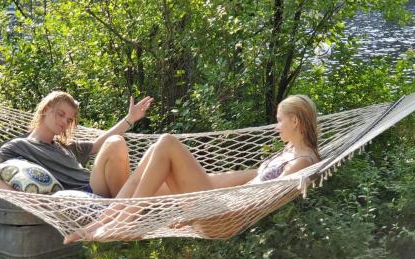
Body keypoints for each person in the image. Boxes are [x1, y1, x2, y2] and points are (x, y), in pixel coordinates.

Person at [64, 94, 321, 243]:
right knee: (156, 152)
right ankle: (98, 224)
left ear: (295, 121)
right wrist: (206, 184)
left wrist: (199, 209)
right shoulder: (289, 152)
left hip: (224, 217)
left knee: (167, 143)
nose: (276, 127)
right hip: (218, 206)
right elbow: (252, 178)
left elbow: (261, 198)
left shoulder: (301, 162)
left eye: (279, 121)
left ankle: (123, 222)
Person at [0, 91, 153, 198]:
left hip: (100, 185)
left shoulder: (64, 146)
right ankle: (124, 212)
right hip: (87, 192)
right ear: (45, 110)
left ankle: (172, 217)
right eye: (61, 114)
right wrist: (16, 195)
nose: (65, 122)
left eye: (69, 120)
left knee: (157, 173)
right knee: (115, 143)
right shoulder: (21, 145)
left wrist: (131, 119)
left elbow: (98, 145)